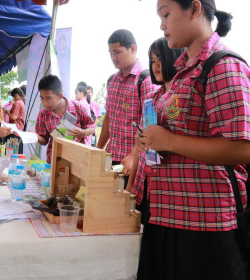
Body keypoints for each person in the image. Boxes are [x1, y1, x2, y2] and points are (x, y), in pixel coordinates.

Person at [136, 1, 250, 279]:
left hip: (205, 225)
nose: (162, 24)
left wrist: (169, 141)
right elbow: (177, 128)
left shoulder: (222, 65)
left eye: (166, 14)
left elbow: (243, 148)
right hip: (167, 215)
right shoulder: (183, 74)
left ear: (195, 9)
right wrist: (150, 139)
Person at [126, 37, 185, 224]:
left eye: (161, 59)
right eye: (152, 61)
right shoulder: (151, 99)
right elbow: (140, 148)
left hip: (169, 189)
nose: (156, 65)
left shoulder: (182, 96)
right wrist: (129, 187)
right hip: (143, 182)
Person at [97, 29, 157, 186]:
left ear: (133, 49)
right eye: (110, 53)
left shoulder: (145, 80)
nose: (113, 58)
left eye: (117, 52)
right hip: (111, 157)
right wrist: (98, 150)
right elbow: (108, 119)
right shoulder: (112, 81)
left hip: (132, 162)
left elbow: (148, 126)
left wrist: (132, 156)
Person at [36, 75, 95, 163]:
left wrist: (83, 132)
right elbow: (44, 140)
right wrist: (35, 136)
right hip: (55, 159)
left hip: (78, 159)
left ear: (60, 96)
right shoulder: (43, 114)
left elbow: (92, 127)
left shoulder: (77, 107)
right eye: (42, 98)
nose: (45, 103)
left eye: (48, 98)